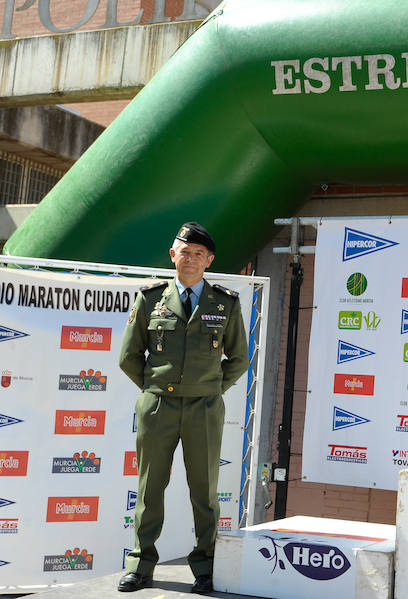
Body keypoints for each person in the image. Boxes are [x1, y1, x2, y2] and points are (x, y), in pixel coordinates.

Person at [117, 222, 249, 594]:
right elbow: (128, 357)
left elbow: (239, 358)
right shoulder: (150, 298)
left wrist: (209, 389)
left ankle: (206, 569)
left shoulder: (225, 302)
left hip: (204, 408)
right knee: (149, 489)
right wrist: (155, 390)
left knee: (204, 492)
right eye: (183, 251)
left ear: (208, 260)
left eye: (197, 254)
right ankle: (140, 566)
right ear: (172, 255)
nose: (189, 259)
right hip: (158, 406)